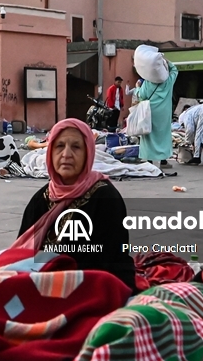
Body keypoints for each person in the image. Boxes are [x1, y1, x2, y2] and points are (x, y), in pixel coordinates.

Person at [13, 118, 135, 290]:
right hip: (43, 282)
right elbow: (22, 255)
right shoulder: (41, 198)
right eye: (60, 146)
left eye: (76, 147)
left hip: (94, 285)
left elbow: (107, 261)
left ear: (88, 153)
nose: (66, 154)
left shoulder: (105, 198)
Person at [135, 61, 178, 168]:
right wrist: (167, 62)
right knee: (164, 136)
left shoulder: (148, 83)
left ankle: (149, 161)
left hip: (150, 112)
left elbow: (141, 95)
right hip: (164, 114)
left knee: (148, 135)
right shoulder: (168, 82)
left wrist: (137, 87)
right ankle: (163, 161)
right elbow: (175, 71)